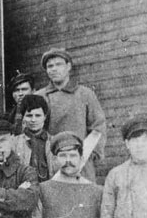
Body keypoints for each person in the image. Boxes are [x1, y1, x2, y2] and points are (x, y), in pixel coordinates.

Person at [36, 48, 106, 182]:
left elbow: (98, 126)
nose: (54, 69)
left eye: (58, 64)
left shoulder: (85, 94)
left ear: (68, 66)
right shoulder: (40, 96)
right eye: (50, 66)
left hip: (81, 162)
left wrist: (89, 155)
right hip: (51, 163)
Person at [12, 94, 53, 183]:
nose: (33, 120)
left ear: (45, 117)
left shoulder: (53, 142)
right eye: (29, 115)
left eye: (38, 115)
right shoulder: (13, 143)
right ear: (23, 117)